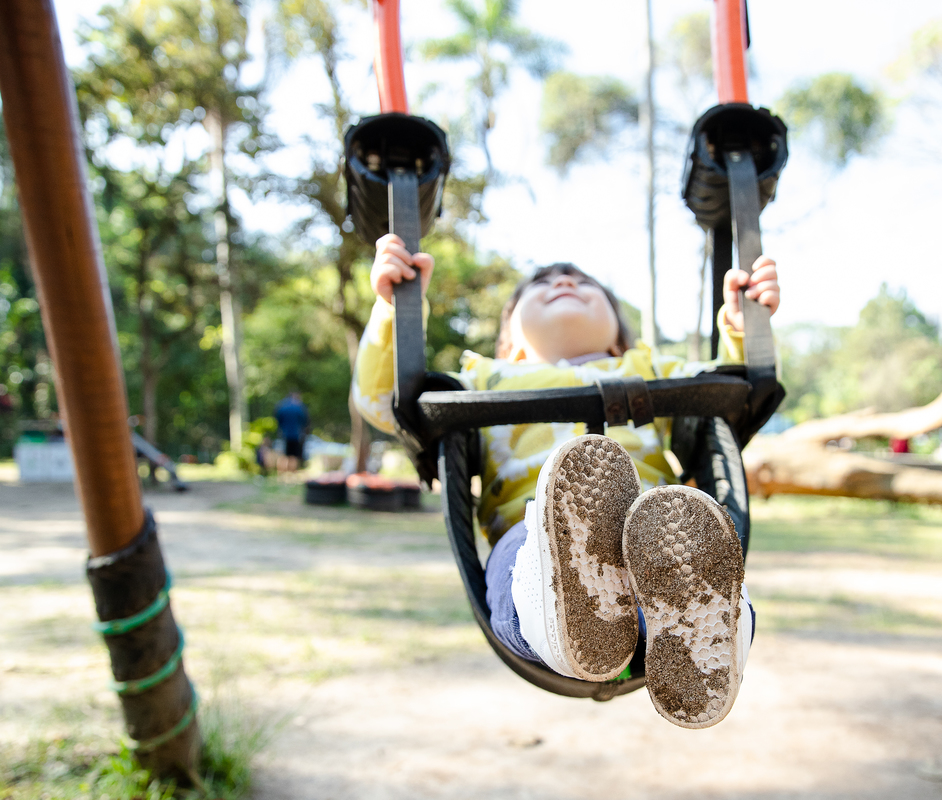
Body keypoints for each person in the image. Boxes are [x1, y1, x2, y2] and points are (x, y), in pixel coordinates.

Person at [353, 234, 781, 729]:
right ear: (510, 343)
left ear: (619, 338)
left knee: (675, 555)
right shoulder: (485, 376)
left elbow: (733, 389)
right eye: (541, 284)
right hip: (531, 532)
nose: (563, 282)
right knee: (522, 572)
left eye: (582, 282)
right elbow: (385, 402)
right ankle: (564, 616)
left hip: (652, 535)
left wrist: (744, 327)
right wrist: (394, 310)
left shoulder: (646, 366)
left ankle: (701, 629)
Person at [273, 392, 309, 472]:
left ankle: (282, 473)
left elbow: (277, 418)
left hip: (283, 433)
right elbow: (305, 421)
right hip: (296, 434)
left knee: (283, 454)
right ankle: (292, 473)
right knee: (294, 456)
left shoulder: (282, 406)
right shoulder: (299, 407)